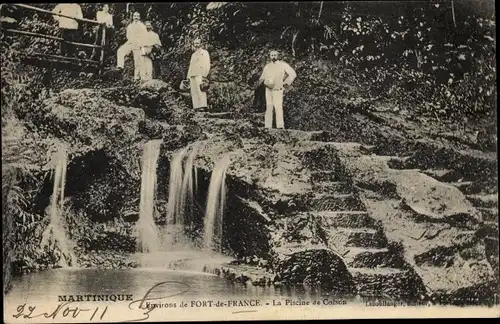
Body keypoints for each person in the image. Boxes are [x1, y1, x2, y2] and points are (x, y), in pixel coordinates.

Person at [255, 50, 296, 129]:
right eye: (272, 55)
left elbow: (293, 74)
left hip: (278, 89)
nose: (273, 57)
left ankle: (280, 126)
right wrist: (258, 84)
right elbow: (262, 77)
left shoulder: (283, 65)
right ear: (270, 56)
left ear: (278, 56)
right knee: (269, 107)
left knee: (278, 106)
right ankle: (268, 126)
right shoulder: (267, 66)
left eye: (275, 55)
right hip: (268, 89)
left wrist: (286, 83)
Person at [116, 11, 147, 81]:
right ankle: (120, 66)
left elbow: (144, 36)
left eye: (137, 16)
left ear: (139, 17)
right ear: (132, 17)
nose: (136, 17)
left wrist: (140, 44)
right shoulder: (130, 26)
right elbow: (128, 35)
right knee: (120, 51)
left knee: (137, 61)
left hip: (138, 44)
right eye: (135, 16)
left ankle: (136, 78)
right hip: (130, 42)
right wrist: (130, 41)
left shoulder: (142, 26)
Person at [187, 38, 211, 110]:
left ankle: (203, 106)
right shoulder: (193, 55)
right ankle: (196, 106)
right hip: (192, 73)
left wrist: (205, 74)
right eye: (195, 43)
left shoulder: (204, 52)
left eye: (197, 43)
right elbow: (190, 65)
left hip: (200, 73)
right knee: (194, 91)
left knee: (201, 89)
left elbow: (207, 64)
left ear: (201, 44)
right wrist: (188, 76)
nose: (196, 45)